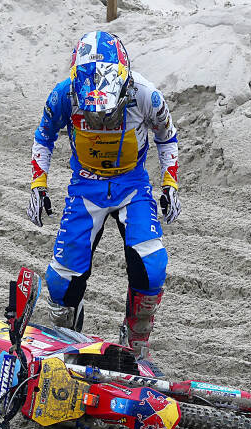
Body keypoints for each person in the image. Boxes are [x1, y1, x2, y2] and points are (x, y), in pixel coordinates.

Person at [27, 31, 180, 359]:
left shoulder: (146, 94)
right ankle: (66, 338)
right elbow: (44, 135)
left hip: (132, 185)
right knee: (60, 282)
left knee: (152, 266)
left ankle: (136, 343)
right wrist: (38, 185)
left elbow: (167, 136)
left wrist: (170, 183)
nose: (100, 117)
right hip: (86, 186)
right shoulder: (63, 94)